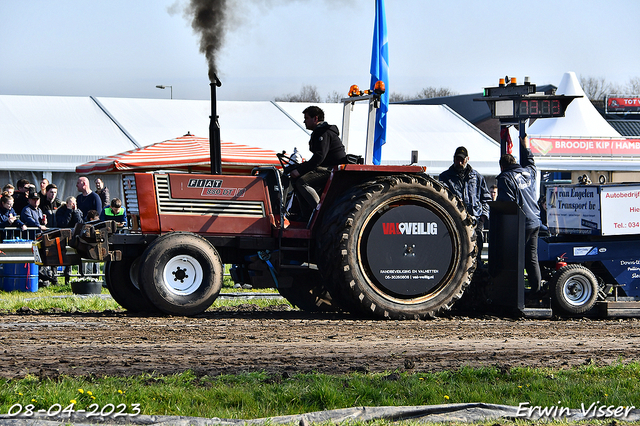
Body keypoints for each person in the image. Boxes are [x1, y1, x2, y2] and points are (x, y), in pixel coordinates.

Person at [496, 134, 542, 296]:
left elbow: (506, 204)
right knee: (532, 258)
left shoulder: (505, 177)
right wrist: (526, 145)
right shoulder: (529, 172)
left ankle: (516, 294)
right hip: (535, 221)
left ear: (502, 167)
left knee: (515, 259)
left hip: (520, 223)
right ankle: (536, 292)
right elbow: (531, 162)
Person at [284, 105, 347, 219]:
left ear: (315, 118)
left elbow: (319, 157)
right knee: (297, 179)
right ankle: (305, 216)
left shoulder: (323, 133)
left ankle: (319, 214)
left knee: (302, 182)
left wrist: (299, 170)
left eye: (306, 118)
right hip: (326, 167)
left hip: (331, 169)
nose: (304, 121)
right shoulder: (320, 132)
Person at [439, 146, 491, 265]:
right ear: (454, 159)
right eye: (457, 159)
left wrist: (483, 217)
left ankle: (477, 277)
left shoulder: (477, 177)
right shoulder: (445, 177)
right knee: (458, 252)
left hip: (475, 220)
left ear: (467, 159)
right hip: (455, 220)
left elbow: (486, 198)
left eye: (462, 159)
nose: (460, 162)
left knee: (476, 250)